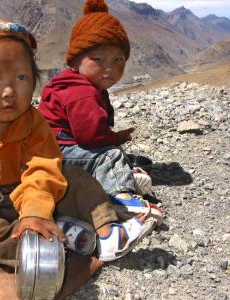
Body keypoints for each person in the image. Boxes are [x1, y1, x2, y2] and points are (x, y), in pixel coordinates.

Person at [0, 17, 156, 269]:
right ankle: (56, 240)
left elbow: (44, 169)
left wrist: (35, 211)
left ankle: (107, 232)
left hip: (37, 195)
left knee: (77, 179)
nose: (9, 91)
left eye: (21, 77)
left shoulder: (35, 125)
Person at [38, 0, 163, 223]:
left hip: (56, 147)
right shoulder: (81, 92)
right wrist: (116, 138)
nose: (110, 68)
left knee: (110, 151)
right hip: (57, 153)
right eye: (98, 59)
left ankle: (117, 175)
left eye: (118, 60)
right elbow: (91, 137)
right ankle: (121, 198)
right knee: (109, 154)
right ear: (75, 61)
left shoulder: (83, 84)